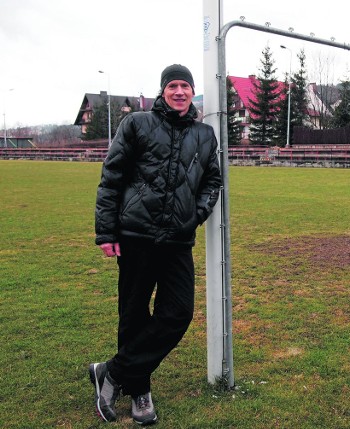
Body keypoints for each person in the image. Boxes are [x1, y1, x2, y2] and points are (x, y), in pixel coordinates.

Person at [90, 64, 222, 425]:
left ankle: (113, 372)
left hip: (178, 239)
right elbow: (111, 178)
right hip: (136, 237)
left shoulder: (205, 134)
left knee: (177, 312)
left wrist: (195, 214)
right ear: (163, 90)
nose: (179, 91)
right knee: (133, 315)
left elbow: (213, 180)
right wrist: (106, 232)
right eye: (173, 85)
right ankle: (140, 392)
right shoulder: (136, 124)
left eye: (185, 86)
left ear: (193, 92)